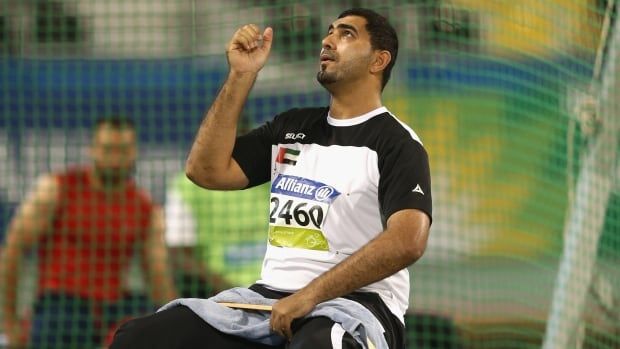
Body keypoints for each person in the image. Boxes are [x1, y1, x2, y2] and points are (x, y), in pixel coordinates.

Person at [110, 7, 432, 349]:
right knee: (139, 339)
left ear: (378, 61)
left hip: (356, 305)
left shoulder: (398, 144)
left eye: (346, 34)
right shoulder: (291, 127)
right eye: (329, 31)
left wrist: (311, 295)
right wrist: (241, 74)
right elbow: (205, 171)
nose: (327, 40)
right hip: (265, 303)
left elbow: (407, 241)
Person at [0, 117, 177, 348]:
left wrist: (178, 325)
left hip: (112, 311)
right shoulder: (56, 189)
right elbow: (13, 250)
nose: (115, 159)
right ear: (92, 150)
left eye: (122, 150)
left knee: (143, 322)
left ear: (134, 152)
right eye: (108, 150)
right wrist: (9, 323)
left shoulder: (144, 207)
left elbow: (158, 276)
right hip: (61, 307)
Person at [165, 172, 270, 298]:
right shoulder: (186, 186)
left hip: (275, 289)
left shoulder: (274, 176)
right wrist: (228, 290)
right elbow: (179, 253)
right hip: (215, 296)